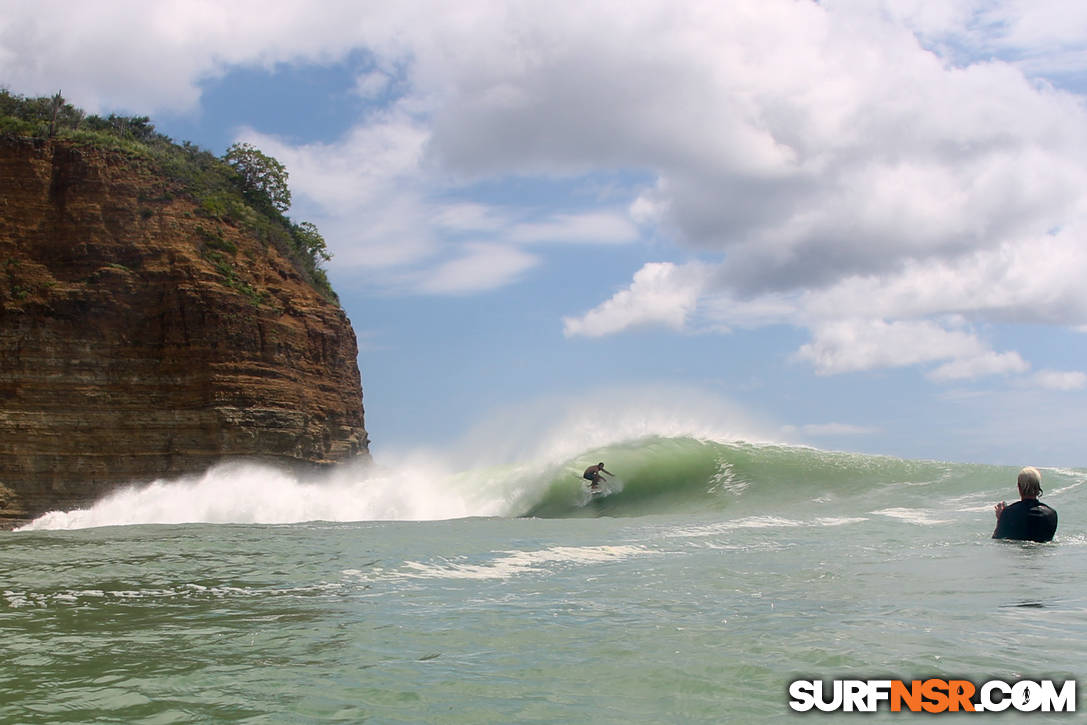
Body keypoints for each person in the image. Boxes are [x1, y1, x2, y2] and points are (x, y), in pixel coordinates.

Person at [992, 466, 1057, 542]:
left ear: (1019, 487)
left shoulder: (1009, 513)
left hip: (1019, 553)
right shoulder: (1051, 514)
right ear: (1038, 487)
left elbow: (997, 540)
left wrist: (1000, 520)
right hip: (1043, 553)